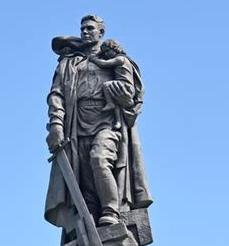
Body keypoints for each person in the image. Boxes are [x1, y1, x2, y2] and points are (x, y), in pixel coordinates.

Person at [45, 15, 152, 232]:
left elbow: (132, 96)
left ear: (100, 33)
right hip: (76, 124)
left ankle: (112, 212)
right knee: (83, 178)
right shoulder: (69, 63)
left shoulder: (116, 60)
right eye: (82, 28)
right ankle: (91, 226)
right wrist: (56, 123)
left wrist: (124, 96)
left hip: (107, 121)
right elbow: (56, 95)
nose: (85, 32)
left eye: (90, 28)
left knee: (99, 158)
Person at [89, 39, 133, 130]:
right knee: (115, 100)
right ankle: (117, 121)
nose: (106, 54)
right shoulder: (120, 59)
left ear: (115, 48)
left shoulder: (120, 59)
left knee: (106, 85)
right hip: (120, 84)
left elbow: (104, 64)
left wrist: (94, 59)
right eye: (104, 52)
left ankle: (109, 103)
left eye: (107, 51)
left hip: (125, 85)